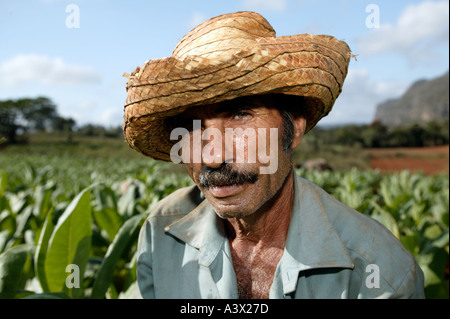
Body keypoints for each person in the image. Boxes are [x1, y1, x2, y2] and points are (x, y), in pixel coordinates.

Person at [123, 11, 424, 299]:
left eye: (241, 115)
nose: (212, 158)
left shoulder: (380, 273)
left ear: (294, 130)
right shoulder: (159, 233)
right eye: (192, 127)